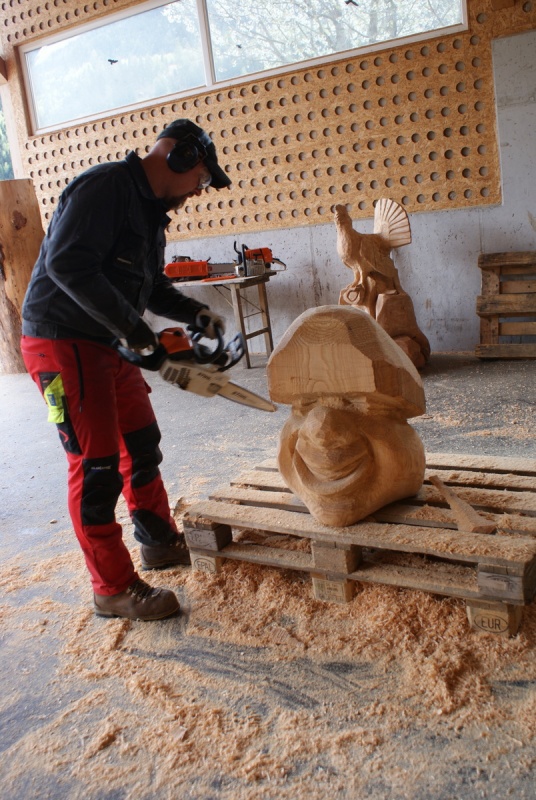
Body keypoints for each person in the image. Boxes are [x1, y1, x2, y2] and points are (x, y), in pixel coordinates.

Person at [21, 119, 231, 621]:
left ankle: (158, 540)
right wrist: (136, 332)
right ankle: (112, 588)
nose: (198, 190)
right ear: (180, 157)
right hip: (63, 341)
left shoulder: (151, 211)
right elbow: (68, 266)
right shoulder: (105, 188)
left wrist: (196, 313)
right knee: (95, 468)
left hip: (108, 339)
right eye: (201, 178)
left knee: (140, 443)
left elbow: (150, 285)